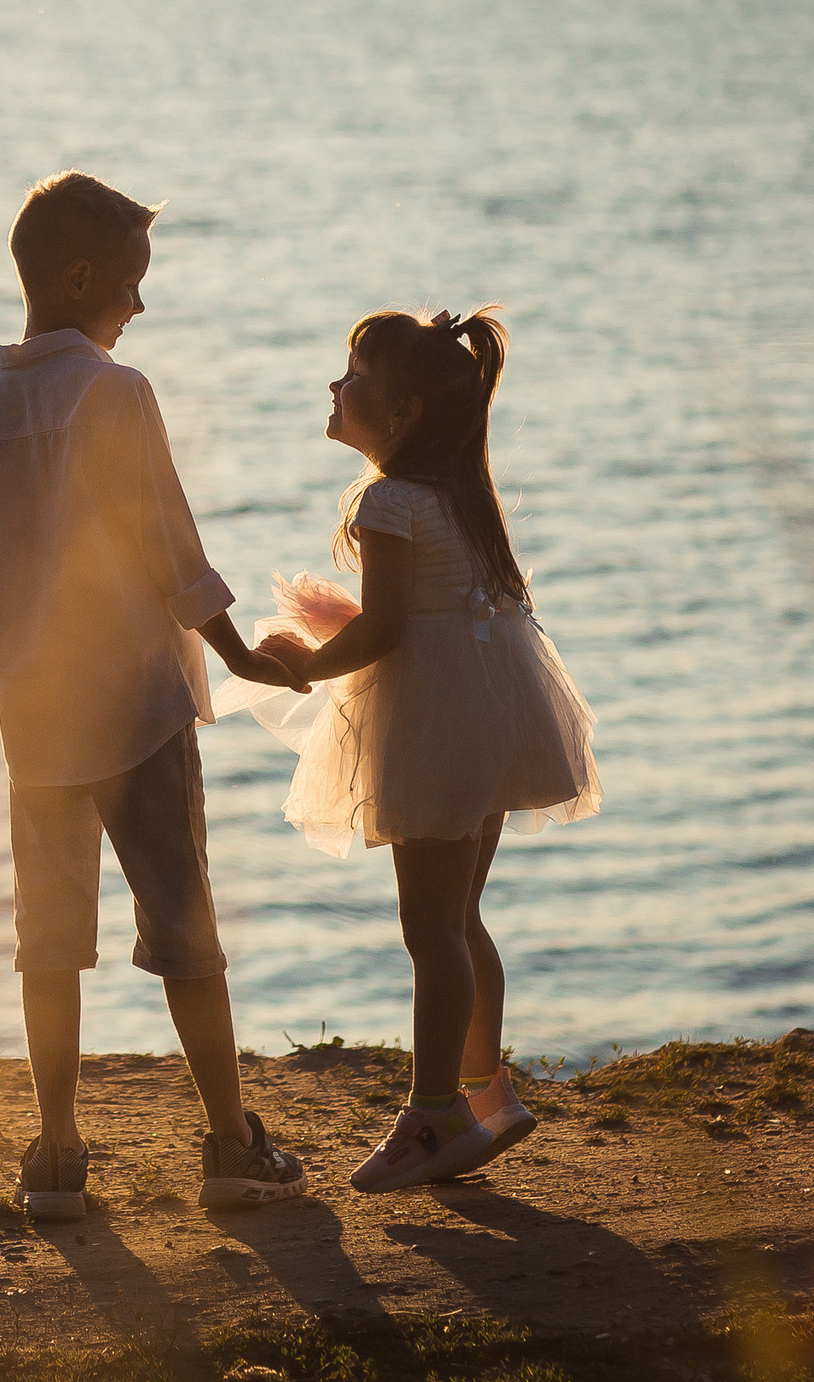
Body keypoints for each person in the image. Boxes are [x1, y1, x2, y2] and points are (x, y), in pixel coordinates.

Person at [0, 170, 311, 1220]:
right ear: (79, 278)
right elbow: (167, 543)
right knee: (185, 923)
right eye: (130, 284)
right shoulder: (117, 392)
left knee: (46, 936)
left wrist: (0, 691)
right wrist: (239, 653)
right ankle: (228, 1147)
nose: (139, 306)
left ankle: (56, 1154)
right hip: (138, 707)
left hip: (33, 715)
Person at [252, 307, 600, 1192]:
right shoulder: (456, 494)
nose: (337, 386)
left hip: (437, 719)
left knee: (428, 928)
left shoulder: (387, 499)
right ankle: (487, 1091)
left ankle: (435, 1111)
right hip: (490, 707)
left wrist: (305, 667)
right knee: (460, 917)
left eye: (354, 373)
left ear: (400, 413)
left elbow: (388, 628)